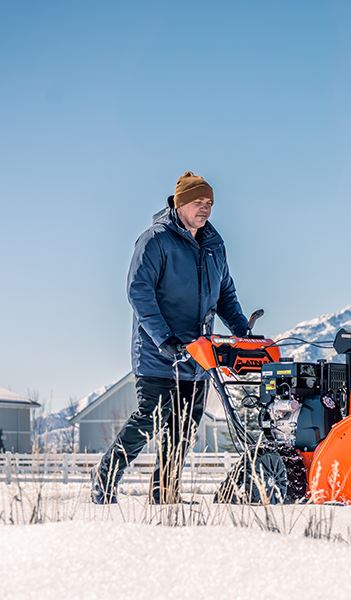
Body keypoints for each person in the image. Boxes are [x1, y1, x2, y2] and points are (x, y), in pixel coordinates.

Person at [92, 171, 248, 504]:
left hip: (198, 355)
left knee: (185, 429)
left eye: (208, 203)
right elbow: (139, 291)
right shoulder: (155, 240)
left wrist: (242, 330)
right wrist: (164, 338)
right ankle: (105, 478)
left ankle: (165, 493)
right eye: (197, 202)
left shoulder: (213, 245)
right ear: (179, 204)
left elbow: (225, 294)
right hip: (157, 353)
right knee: (150, 419)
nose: (204, 209)